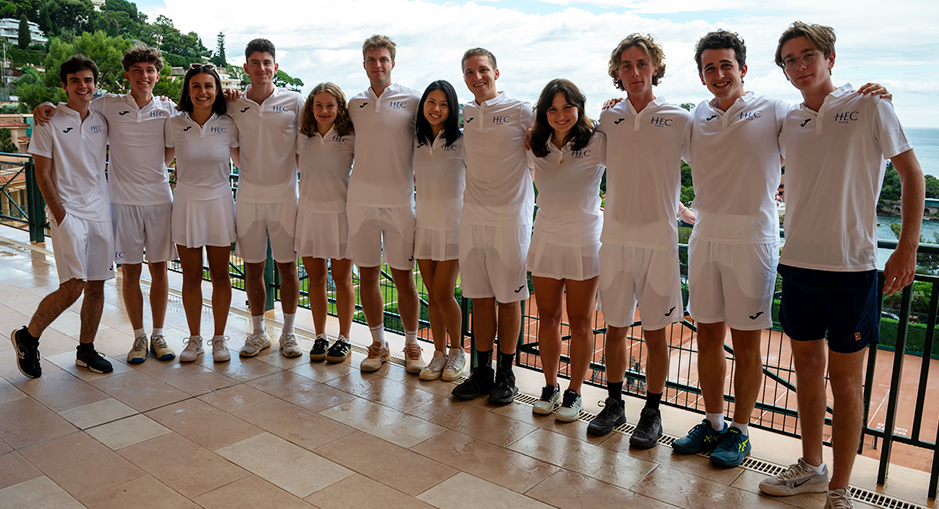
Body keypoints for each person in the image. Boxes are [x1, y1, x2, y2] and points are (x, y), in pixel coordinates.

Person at [674, 30, 892, 468]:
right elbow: (650, 154)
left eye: (726, 65)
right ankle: (712, 422)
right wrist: (681, 210)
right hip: (705, 240)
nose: (719, 74)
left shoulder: (777, 110)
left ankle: (740, 431)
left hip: (756, 240)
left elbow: (824, 123)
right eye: (710, 67)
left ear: (743, 69)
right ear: (701, 75)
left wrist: (874, 93)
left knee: (748, 344)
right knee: (708, 338)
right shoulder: (694, 116)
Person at [759, 22, 924, 509]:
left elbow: (911, 174)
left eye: (807, 54)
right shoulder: (788, 118)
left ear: (830, 57)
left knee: (847, 383)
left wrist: (907, 247)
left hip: (853, 269)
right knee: (808, 370)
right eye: (789, 60)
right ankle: (812, 469)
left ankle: (840, 491)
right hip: (799, 265)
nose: (799, 65)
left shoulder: (871, 104)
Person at [33, 45, 177, 364]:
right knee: (123, 275)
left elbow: (170, 152)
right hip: (119, 203)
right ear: (127, 75)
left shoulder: (167, 109)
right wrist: (43, 106)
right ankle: (138, 337)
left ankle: (157, 335)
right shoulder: (108, 105)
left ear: (157, 75)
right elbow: (69, 108)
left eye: (149, 71)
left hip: (152, 201)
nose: (144, 76)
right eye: (137, 71)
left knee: (156, 272)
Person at [587, 34, 695, 445]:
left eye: (642, 63)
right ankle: (614, 404)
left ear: (656, 68)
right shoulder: (608, 118)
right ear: (616, 72)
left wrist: (692, 210)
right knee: (614, 328)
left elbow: (714, 159)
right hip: (614, 239)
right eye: (626, 65)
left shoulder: (678, 117)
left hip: (659, 243)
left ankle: (652, 412)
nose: (634, 72)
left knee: (654, 333)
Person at [11, 55, 114, 378]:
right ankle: (28, 337)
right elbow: (42, 176)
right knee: (74, 285)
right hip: (68, 213)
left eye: (88, 80)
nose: (83, 87)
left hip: (100, 212)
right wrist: (62, 216)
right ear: (64, 85)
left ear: (96, 85)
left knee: (97, 285)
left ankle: (86, 350)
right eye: (75, 81)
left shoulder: (102, 118)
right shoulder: (48, 122)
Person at [451, 48, 534, 405]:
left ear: (496, 73)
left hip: (510, 220)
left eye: (483, 70)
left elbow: (548, 146)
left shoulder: (520, 109)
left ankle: (506, 373)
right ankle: (482, 371)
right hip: (472, 218)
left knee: (509, 299)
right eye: (470, 72)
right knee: (480, 298)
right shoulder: (468, 113)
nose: (477, 77)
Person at [527, 79, 604, 421]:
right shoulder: (535, 144)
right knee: (547, 317)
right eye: (553, 109)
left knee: (581, 321)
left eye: (568, 107)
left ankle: (575, 392)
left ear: (579, 107)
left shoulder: (598, 141)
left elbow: (636, 169)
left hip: (585, 240)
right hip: (546, 237)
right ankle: (550, 385)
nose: (561, 115)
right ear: (545, 112)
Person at [346, 35, 424, 374]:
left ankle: (411, 345)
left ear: (393, 62)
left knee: (404, 278)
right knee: (367, 275)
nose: (377, 65)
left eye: (383, 59)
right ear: (364, 64)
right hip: (360, 202)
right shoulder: (353, 104)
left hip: (399, 203)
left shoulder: (413, 100)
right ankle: (378, 344)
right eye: (371, 59)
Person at [228, 39, 304, 358]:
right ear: (246, 67)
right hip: (248, 199)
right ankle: (258, 333)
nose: (262, 68)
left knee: (288, 268)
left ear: (276, 66)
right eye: (255, 62)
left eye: (267, 62)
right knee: (254, 268)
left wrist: (282, 174)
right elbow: (233, 150)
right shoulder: (234, 104)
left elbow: (303, 149)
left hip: (286, 199)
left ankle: (288, 333)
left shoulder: (295, 101)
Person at [165, 64, 239, 363]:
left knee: (221, 276)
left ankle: (219, 340)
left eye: (209, 86)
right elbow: (160, 161)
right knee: (191, 276)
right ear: (187, 91)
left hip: (220, 202)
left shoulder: (230, 123)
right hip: (186, 204)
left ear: (218, 90)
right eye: (196, 86)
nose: (202, 92)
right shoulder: (173, 123)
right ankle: (194, 339)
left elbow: (244, 159)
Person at [296, 83, 355, 364]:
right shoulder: (302, 136)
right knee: (316, 279)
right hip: (308, 213)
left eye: (330, 105)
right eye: (318, 105)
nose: (323, 110)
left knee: (342, 280)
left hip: (341, 215)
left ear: (340, 108)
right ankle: (320, 335)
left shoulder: (350, 136)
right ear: (310, 107)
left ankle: (344, 338)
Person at [412, 80, 467, 382]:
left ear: (452, 108)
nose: (436, 109)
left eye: (444, 104)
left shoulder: (462, 141)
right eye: (431, 102)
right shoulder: (416, 140)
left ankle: (458, 350)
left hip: (453, 225)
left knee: (444, 293)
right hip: (425, 224)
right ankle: (439, 352)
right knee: (432, 295)